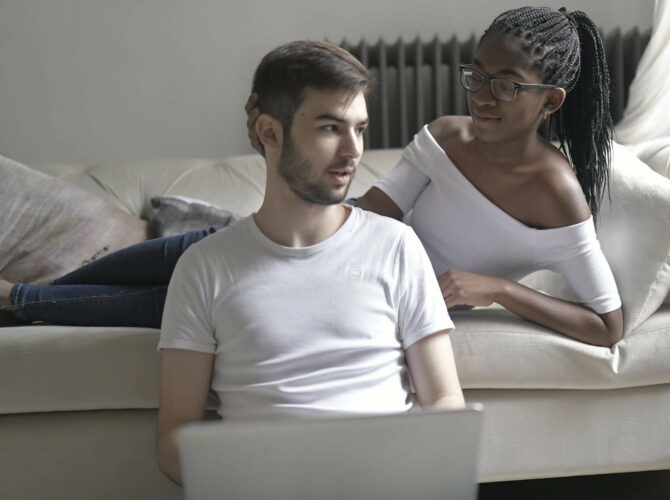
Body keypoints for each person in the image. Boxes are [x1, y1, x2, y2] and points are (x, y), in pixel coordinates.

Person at [1, 6, 622, 347]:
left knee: (195, 297)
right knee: (197, 250)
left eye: (507, 85)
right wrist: (294, 235)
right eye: (477, 75)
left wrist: (502, 289)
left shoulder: (556, 193)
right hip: (338, 245)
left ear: (552, 101)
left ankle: (16, 300)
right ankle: (34, 290)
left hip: (372, 290)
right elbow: (378, 206)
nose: (484, 96)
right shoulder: (447, 134)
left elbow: (607, 325)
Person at [155, 40, 465, 485]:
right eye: (330, 128)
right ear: (270, 132)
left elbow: (444, 402)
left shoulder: (397, 247)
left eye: (360, 129)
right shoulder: (204, 267)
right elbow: (173, 438)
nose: (352, 150)